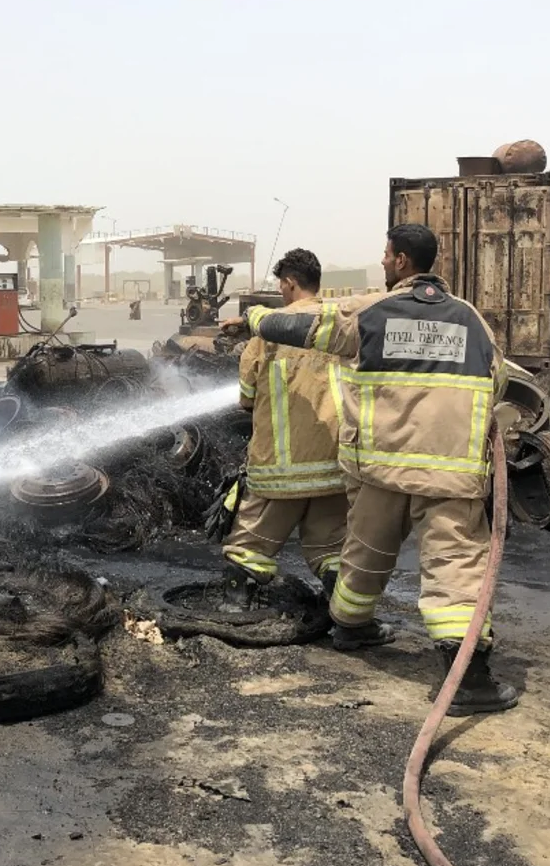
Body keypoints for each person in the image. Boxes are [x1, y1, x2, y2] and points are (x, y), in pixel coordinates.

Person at [221, 223, 518, 716]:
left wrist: (254, 317)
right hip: (449, 473)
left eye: (385, 256)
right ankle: (468, 681)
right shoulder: (472, 320)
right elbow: (500, 381)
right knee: (454, 570)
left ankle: (349, 629)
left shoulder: (373, 314)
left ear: (401, 261)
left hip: (378, 467)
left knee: (363, 555)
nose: (381, 262)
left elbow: (304, 329)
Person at [220, 249, 348, 612]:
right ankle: (344, 618)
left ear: (290, 283)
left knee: (250, 545)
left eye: (281, 286)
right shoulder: (341, 327)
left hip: (280, 466)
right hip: (334, 465)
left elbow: (246, 398)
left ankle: (233, 611)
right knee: (331, 549)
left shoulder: (269, 333)